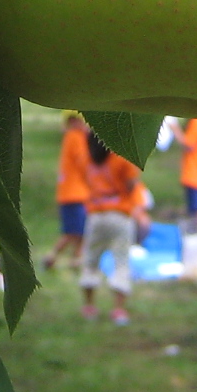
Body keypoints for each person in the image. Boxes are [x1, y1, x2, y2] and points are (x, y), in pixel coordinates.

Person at [78, 131, 143, 324]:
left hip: (96, 214)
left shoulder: (87, 160)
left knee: (90, 259)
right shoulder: (121, 158)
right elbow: (132, 183)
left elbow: (86, 181)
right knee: (121, 261)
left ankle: (89, 306)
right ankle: (119, 310)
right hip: (120, 214)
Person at [46, 112, 91, 272]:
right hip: (75, 193)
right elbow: (83, 162)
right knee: (74, 232)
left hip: (73, 193)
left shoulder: (70, 136)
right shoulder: (75, 136)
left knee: (79, 231)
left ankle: (76, 260)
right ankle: (52, 256)